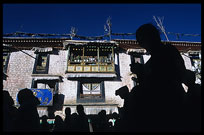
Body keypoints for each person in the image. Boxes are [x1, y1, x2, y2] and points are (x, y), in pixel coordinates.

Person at [128, 23, 187, 132]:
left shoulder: (168, 51)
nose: (140, 43)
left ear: (152, 36)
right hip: (157, 108)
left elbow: (174, 75)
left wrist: (142, 72)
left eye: (141, 39)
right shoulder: (150, 61)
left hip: (170, 104)